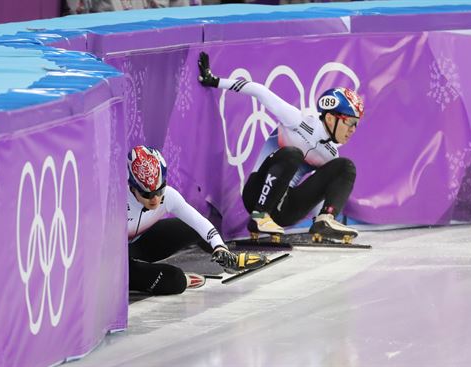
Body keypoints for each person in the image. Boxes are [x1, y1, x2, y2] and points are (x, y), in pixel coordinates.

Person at [197, 52, 364, 241]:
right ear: (331, 117)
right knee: (293, 154)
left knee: (345, 167)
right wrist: (215, 81)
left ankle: (324, 221)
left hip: (286, 211)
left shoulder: (331, 153)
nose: (353, 130)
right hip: (256, 193)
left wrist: (321, 216)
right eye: (350, 123)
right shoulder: (297, 120)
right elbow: (259, 91)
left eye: (356, 124)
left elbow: (321, 190)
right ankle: (260, 216)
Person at [127, 145, 266, 295]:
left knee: (194, 229)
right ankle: (181, 280)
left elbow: (199, 222)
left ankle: (227, 263)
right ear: (132, 188)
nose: (155, 199)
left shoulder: (169, 196)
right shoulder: (116, 203)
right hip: (115, 261)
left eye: (159, 190)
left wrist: (220, 247)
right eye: (147, 194)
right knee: (176, 281)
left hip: (139, 243)